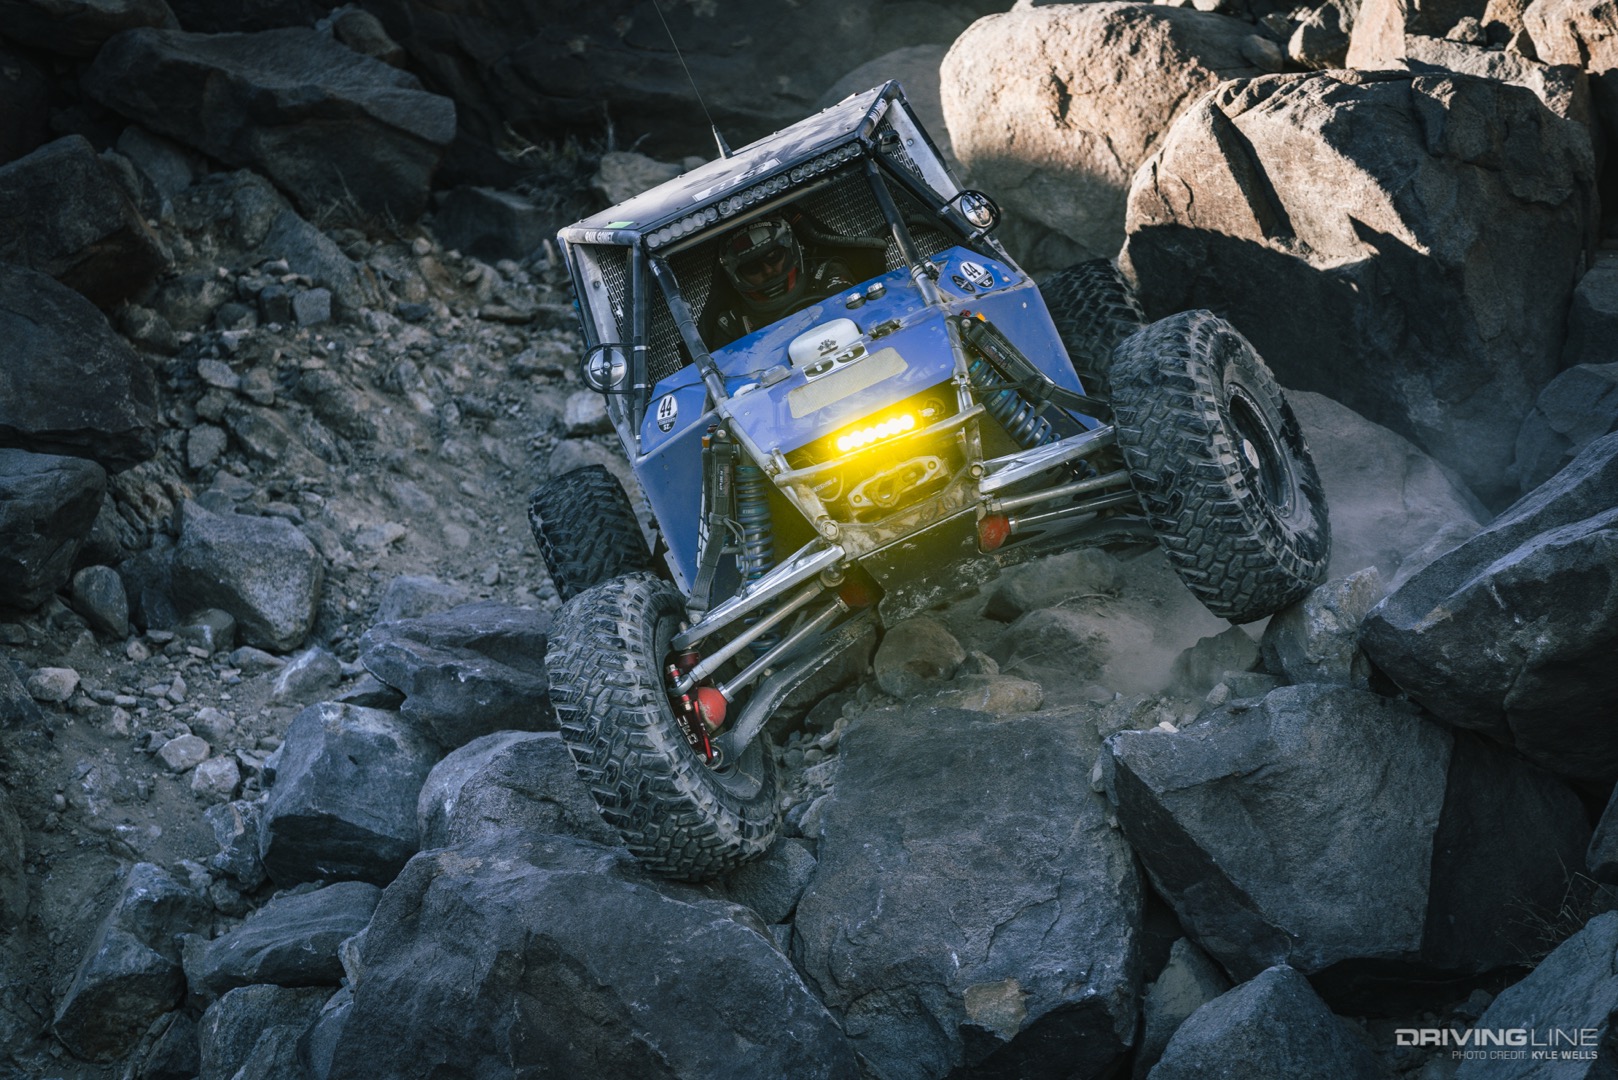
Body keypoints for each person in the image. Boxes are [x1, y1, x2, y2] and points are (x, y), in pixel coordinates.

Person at [702, 215, 856, 348]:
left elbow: (855, 317)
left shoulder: (827, 274)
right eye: (752, 267)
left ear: (791, 250)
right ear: (736, 275)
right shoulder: (733, 324)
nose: (768, 271)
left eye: (773, 257)